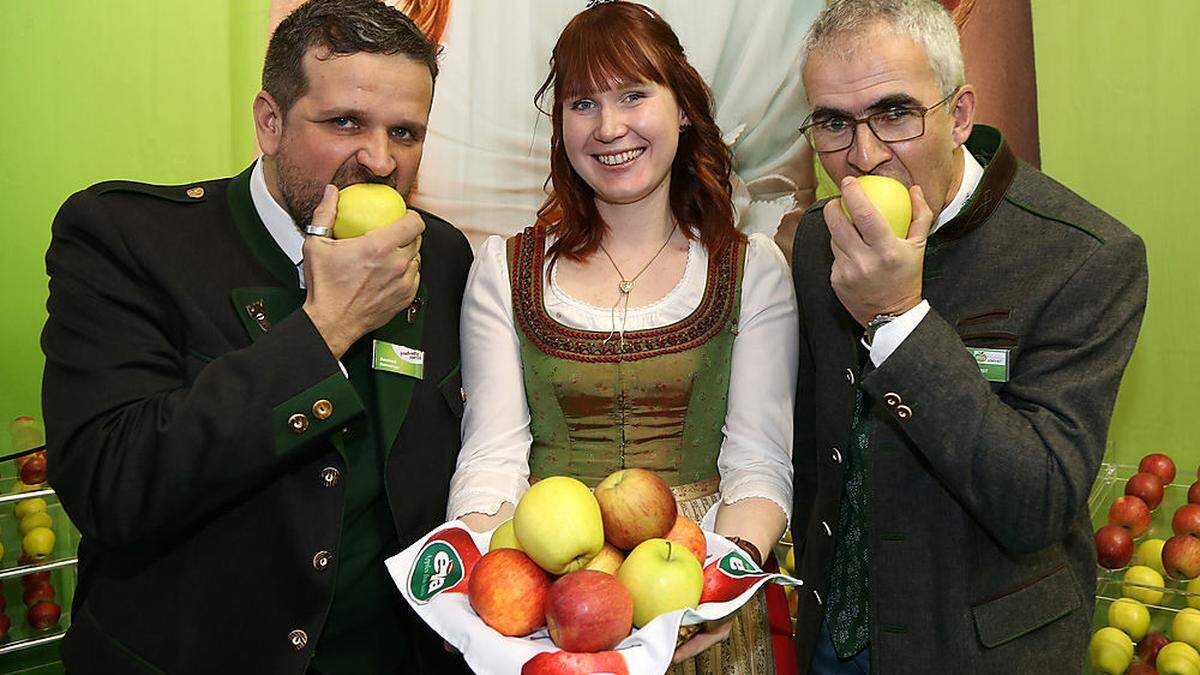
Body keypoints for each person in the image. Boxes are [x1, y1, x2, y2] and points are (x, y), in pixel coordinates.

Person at [41, 1, 471, 672]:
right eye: (346, 122)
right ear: (269, 122)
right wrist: (325, 329)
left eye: (406, 132)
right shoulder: (131, 240)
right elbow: (111, 487)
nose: (381, 159)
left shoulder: (440, 259)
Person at [787, 0, 1147, 672]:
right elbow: (818, 446)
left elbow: (1038, 500)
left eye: (894, 112)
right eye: (834, 123)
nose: (863, 156)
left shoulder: (1083, 257)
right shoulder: (819, 238)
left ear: (958, 115)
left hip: (982, 651)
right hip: (835, 639)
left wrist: (899, 317)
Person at [446, 2, 797, 672]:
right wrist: (492, 592)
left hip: (701, 576)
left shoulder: (752, 268)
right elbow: (491, 459)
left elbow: (757, 462)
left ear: (684, 106)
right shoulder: (503, 269)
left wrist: (716, 588)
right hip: (552, 592)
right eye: (582, 103)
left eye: (634, 94)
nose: (609, 128)